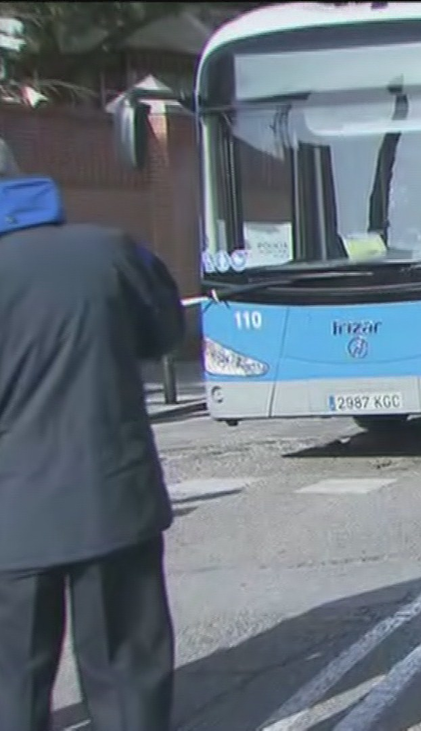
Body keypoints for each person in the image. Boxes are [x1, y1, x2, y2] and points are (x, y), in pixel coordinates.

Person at [0, 155, 184, 731]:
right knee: (126, 670)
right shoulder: (109, 250)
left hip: (12, 519)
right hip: (111, 496)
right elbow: (167, 333)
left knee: (12, 681)